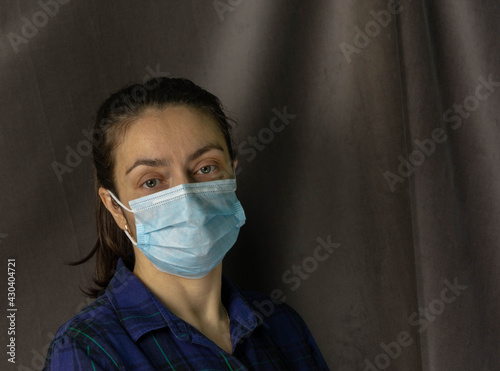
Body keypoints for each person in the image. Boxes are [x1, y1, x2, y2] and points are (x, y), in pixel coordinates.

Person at [43, 77, 329, 370]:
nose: (187, 200)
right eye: (151, 182)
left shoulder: (283, 327)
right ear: (115, 207)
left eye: (205, 168)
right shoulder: (88, 350)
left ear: (232, 174)